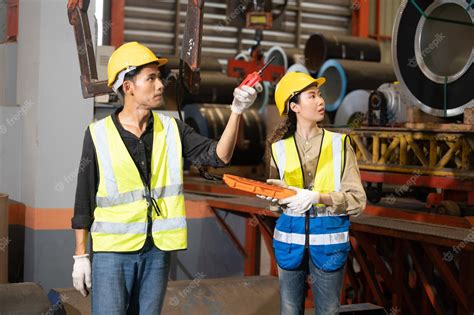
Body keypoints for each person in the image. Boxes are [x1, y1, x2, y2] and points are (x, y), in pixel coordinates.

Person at [70, 42, 257, 314]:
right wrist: (80, 255)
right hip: (111, 253)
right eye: (151, 78)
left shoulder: (172, 129)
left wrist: (237, 110)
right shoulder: (98, 134)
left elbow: (220, 156)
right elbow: (83, 199)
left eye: (159, 78)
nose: (160, 85)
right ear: (128, 86)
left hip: (157, 250)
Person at [261, 72, 366, 315]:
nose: (321, 101)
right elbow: (277, 208)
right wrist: (275, 196)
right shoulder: (278, 149)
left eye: (319, 95)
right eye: (312, 96)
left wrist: (318, 197)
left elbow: (358, 201)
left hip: (328, 247)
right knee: (289, 311)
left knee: (328, 311)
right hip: (289, 245)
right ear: (294, 106)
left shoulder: (340, 144)